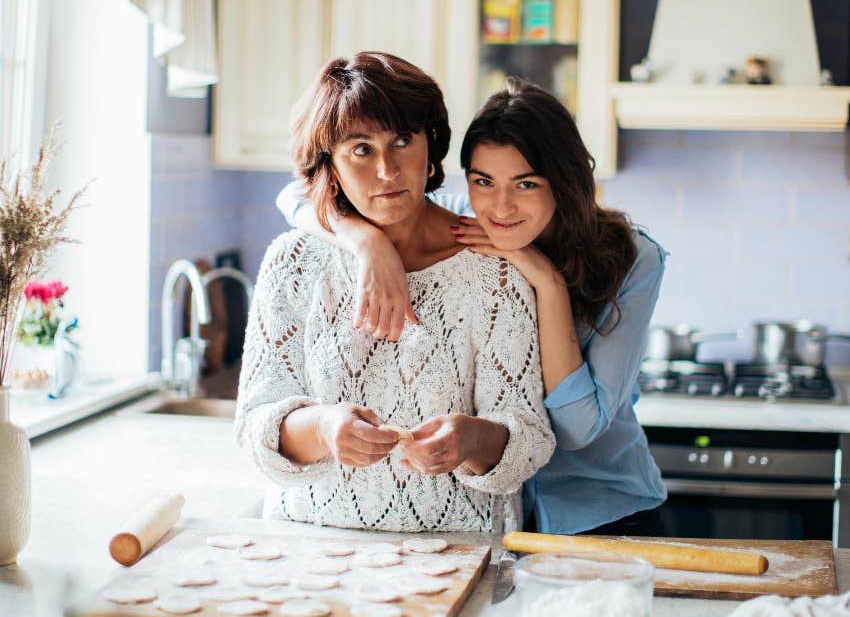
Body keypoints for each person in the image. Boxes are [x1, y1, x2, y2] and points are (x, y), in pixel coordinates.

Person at [279, 77, 667, 537]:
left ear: (564, 183)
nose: (501, 207)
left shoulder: (632, 256)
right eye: (484, 180)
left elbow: (579, 430)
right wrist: (366, 242)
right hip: (499, 513)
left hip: (597, 507)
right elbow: (296, 197)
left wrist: (545, 280)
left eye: (526, 183)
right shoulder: (466, 218)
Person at [235, 53, 556, 533]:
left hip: (461, 551)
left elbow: (529, 438)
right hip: (309, 552)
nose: (388, 169)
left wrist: (472, 440)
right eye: (360, 149)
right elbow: (254, 429)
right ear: (331, 165)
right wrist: (323, 427)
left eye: (403, 140)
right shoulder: (292, 263)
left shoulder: (495, 269)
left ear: (431, 148)